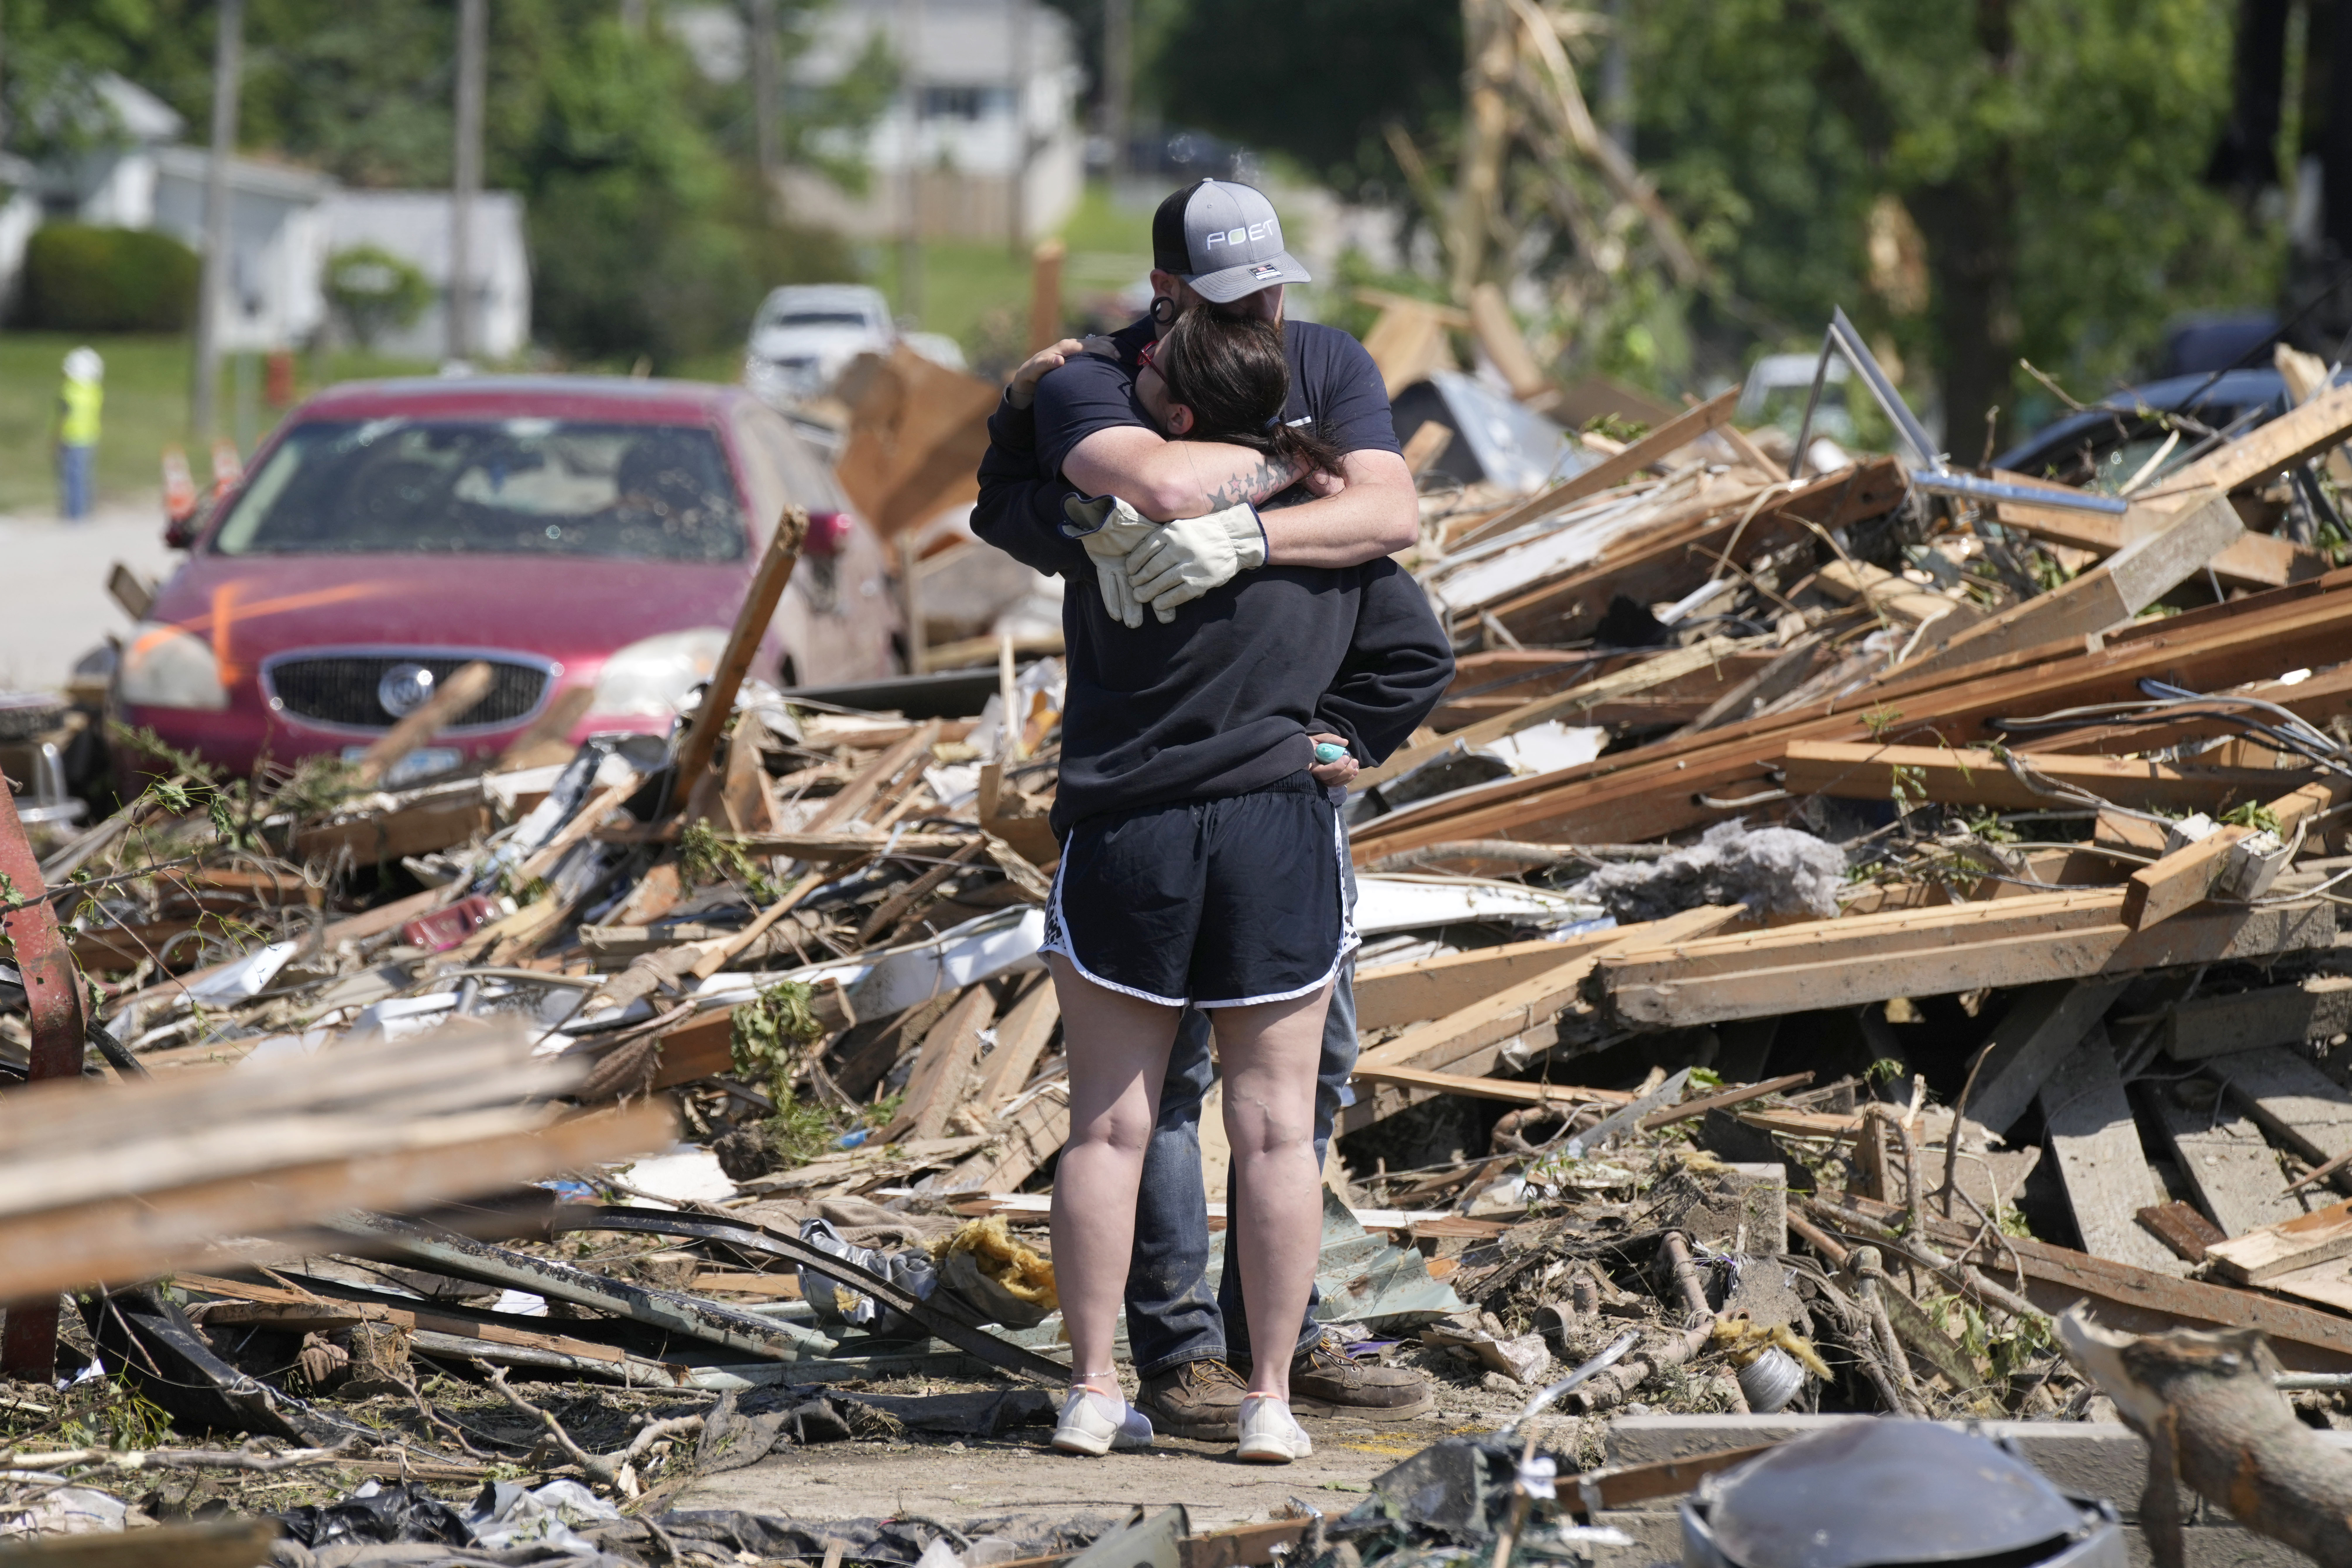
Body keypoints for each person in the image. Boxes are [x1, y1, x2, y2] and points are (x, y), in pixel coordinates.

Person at [971, 179, 1446, 1458]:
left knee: (1118, 1121)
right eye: (1238, 296)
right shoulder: (1098, 382)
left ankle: (1098, 1386)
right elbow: (1173, 490)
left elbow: (1379, 517)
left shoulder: (1318, 370)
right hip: (1267, 823)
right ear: (1167, 292)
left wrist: (1243, 533)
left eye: (1272, 288)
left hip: (1136, 818)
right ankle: (1240, 1385)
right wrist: (1297, 479)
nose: (1267, 313)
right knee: (1255, 1122)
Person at [55, 347, 104, 521]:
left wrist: (57, 438)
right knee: (85, 477)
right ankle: (85, 511)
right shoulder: (94, 391)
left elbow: (64, 416)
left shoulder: (70, 391)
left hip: (72, 438)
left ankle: (74, 514)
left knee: (73, 478)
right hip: (90, 437)